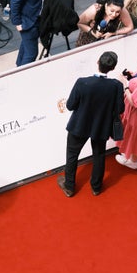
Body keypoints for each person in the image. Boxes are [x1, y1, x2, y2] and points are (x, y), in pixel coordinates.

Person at [56, 51, 125, 198]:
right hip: (101, 126)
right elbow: (120, 109)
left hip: (79, 125)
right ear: (112, 68)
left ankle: (69, 187)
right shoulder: (117, 86)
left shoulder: (82, 82)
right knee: (99, 155)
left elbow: (70, 105)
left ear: (97, 62)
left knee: (72, 155)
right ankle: (96, 187)